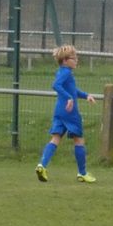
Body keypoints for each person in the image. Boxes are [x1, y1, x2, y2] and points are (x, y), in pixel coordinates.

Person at [35, 45, 98, 183]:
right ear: (64, 60)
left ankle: (42, 165)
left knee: (55, 138)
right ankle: (82, 173)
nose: (76, 60)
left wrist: (86, 95)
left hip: (59, 110)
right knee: (79, 140)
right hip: (70, 112)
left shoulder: (62, 71)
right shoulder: (66, 72)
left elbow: (72, 90)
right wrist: (69, 98)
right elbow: (56, 85)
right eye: (73, 58)